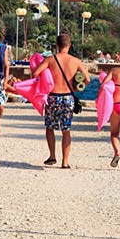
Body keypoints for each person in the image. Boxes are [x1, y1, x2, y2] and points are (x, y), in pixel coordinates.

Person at [31, 34, 90, 169]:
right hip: (68, 97)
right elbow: (87, 79)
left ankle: (52, 156)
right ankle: (65, 162)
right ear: (69, 45)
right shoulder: (76, 61)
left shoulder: (50, 59)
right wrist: (76, 87)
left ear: (57, 45)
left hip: (53, 97)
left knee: (50, 127)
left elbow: (35, 74)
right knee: (66, 130)